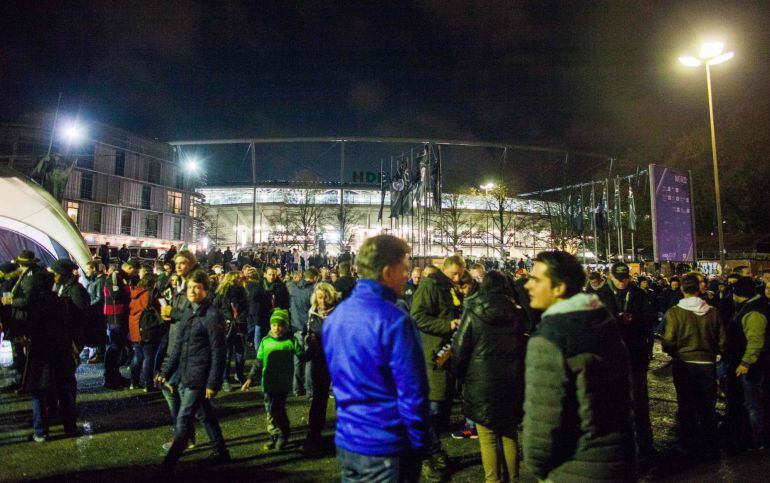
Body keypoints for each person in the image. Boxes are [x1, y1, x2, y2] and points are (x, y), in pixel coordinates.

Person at [324, 235, 431, 482]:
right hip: (386, 445)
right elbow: (412, 392)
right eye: (404, 269)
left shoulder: (338, 316)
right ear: (387, 272)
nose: (408, 275)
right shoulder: (394, 320)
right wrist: (419, 443)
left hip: (348, 439)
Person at [523, 251, 636, 481]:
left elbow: (543, 422)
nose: (527, 285)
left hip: (574, 467)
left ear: (559, 288)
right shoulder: (603, 321)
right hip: (619, 460)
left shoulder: (549, 339)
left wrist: (537, 466)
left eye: (536, 280)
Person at [450, 271, 526, 482]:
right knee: (509, 435)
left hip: (481, 383)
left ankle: (492, 479)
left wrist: (460, 375)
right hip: (511, 380)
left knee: (488, 439)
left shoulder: (473, 310)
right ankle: (513, 478)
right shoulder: (517, 312)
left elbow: (459, 347)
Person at [3, 252, 80, 442]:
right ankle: (70, 428)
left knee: (39, 391)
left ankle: (40, 432)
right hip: (61, 349)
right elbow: (70, 324)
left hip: (41, 350)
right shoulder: (62, 301)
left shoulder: (35, 306)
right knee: (64, 390)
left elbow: (29, 327)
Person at [158, 270, 229, 469]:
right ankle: (221, 451)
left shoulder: (212, 315)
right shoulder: (189, 311)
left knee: (183, 420)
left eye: (198, 287)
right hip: (186, 373)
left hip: (199, 376)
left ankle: (168, 465)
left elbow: (218, 351)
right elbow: (179, 346)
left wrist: (213, 383)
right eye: (190, 287)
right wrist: (166, 372)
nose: (193, 291)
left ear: (205, 290)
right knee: (204, 414)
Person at [662, 272, 725, 452]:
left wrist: (674, 351)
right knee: (707, 404)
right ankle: (710, 441)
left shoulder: (674, 313)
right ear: (699, 289)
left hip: (684, 364)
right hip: (707, 364)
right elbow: (723, 342)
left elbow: (668, 340)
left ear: (682, 289)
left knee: (686, 402)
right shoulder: (713, 312)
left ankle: (688, 441)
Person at [605, 261, 657, 458]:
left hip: (635, 356)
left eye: (625, 278)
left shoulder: (639, 294)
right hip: (611, 358)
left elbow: (650, 317)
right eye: (618, 279)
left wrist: (633, 319)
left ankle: (646, 447)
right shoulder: (601, 295)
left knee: (640, 404)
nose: (622, 283)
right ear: (611, 276)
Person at [411, 255, 465, 434]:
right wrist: (447, 325)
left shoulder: (451, 287)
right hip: (434, 351)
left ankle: (438, 433)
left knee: (445, 396)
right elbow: (417, 316)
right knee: (434, 399)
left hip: (448, 351)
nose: (457, 278)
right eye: (454, 274)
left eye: (460, 275)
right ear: (445, 269)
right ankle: (429, 445)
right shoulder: (430, 285)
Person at [242, 308, 305, 450]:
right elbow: (258, 362)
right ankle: (273, 434)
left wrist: (312, 350)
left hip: (283, 383)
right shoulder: (265, 342)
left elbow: (303, 356)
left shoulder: (291, 341)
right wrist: (250, 378)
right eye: (274, 325)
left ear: (286, 327)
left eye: (280, 325)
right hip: (268, 383)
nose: (277, 328)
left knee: (277, 408)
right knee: (269, 410)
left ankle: (284, 431)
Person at [158, 250, 201, 451]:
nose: (178, 266)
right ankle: (185, 436)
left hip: (186, 345)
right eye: (177, 263)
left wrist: (172, 312)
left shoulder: (194, 285)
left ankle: (183, 437)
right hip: (176, 342)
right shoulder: (179, 283)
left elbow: (196, 314)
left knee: (178, 391)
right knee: (175, 390)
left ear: (192, 264)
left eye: (183, 263)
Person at [725, 276, 770, 450]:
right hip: (751, 364)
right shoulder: (750, 307)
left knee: (754, 404)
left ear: (740, 294)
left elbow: (756, 341)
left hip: (753, 367)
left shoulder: (754, 312)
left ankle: (759, 438)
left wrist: (745, 363)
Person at [303, 282, 341, 455]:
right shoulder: (312, 314)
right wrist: (308, 341)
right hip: (319, 360)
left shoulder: (340, 312)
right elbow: (308, 333)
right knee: (319, 397)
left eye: (325, 297)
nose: (323, 301)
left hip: (338, 360)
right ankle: (314, 434)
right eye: (319, 297)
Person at [103, 259, 140, 389]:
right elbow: (115, 294)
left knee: (118, 347)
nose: (135, 274)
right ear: (129, 268)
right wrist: (131, 294)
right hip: (115, 317)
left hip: (121, 316)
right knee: (114, 347)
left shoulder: (124, 278)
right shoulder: (115, 276)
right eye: (134, 272)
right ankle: (109, 378)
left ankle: (115, 375)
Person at [213, 272, 248, 392]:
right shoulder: (221, 294)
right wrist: (225, 319)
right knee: (227, 354)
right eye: (236, 278)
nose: (239, 280)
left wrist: (241, 317)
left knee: (240, 352)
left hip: (240, 325)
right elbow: (215, 309)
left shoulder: (242, 292)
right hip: (227, 327)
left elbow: (246, 307)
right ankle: (225, 380)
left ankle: (240, 374)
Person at [128, 271, 163, 391]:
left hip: (135, 326)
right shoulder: (152, 293)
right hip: (147, 327)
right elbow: (161, 307)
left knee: (138, 356)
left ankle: (134, 382)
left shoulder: (134, 293)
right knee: (149, 356)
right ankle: (148, 384)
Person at [288, 268, 318, 396]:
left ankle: (296, 388)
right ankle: (309, 390)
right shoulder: (312, 291)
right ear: (315, 277)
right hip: (308, 328)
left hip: (296, 327)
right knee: (310, 360)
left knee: (298, 359)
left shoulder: (294, 290)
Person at [83, 261, 106, 364]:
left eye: (88, 269)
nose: (87, 271)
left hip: (98, 311)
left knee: (100, 332)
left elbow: (99, 297)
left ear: (94, 269)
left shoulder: (100, 281)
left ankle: (100, 354)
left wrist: (89, 305)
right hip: (95, 310)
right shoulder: (95, 280)